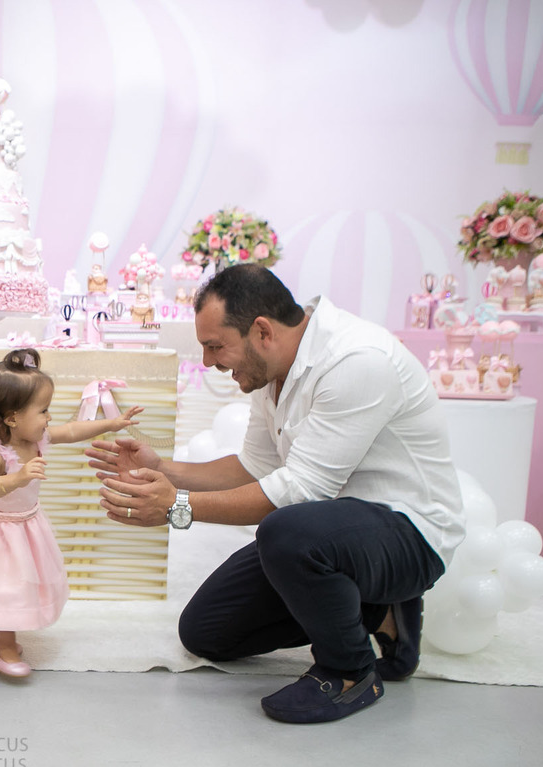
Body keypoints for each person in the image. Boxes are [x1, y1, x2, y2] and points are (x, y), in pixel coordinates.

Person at [86, 264, 464, 722]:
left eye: (214, 346)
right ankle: (380, 615)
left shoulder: (358, 360)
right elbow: (254, 467)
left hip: (409, 534)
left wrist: (175, 507)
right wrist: (163, 469)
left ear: (261, 331)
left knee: (285, 530)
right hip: (332, 533)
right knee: (205, 633)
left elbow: (300, 489)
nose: (208, 362)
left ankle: (349, 673)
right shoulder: (271, 373)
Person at [0, 348, 142, 677]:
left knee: (5, 584)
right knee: (4, 586)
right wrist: (18, 477)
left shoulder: (35, 438)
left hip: (23, 525)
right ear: (11, 418)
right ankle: (3, 645)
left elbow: (71, 431)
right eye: (43, 410)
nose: (49, 418)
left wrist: (113, 423)